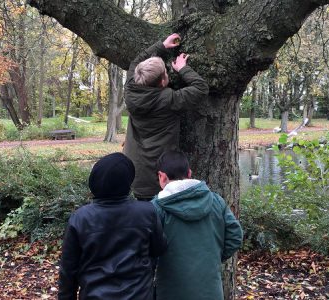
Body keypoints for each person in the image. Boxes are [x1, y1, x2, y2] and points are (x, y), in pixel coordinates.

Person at [58, 153, 167, 300]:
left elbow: (68, 272)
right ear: (128, 182)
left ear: (94, 181)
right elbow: (159, 248)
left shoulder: (80, 218)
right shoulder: (147, 212)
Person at [124, 33, 209, 200]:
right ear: (163, 81)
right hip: (161, 176)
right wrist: (183, 68)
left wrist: (161, 46)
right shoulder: (169, 100)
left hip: (137, 171)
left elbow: (136, 63)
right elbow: (201, 88)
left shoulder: (130, 89)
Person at [151, 150, 243, 300]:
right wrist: (214, 257)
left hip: (171, 290)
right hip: (210, 290)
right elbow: (235, 235)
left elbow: (148, 247)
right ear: (189, 173)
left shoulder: (157, 207)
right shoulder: (216, 201)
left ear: (162, 176)